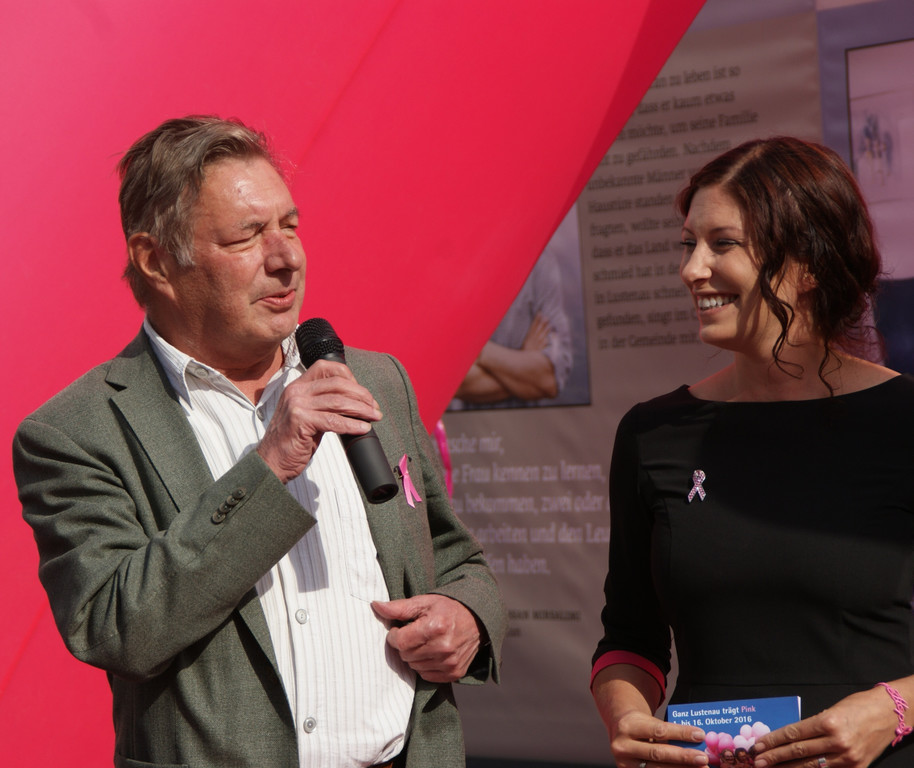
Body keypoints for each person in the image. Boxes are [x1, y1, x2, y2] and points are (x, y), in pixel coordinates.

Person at [13, 116, 506, 768]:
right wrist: (268, 467)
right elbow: (118, 629)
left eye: (290, 226)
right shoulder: (77, 431)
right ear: (156, 261)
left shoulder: (375, 378)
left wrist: (467, 616)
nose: (286, 257)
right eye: (246, 236)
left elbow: (453, 555)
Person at [590, 137, 914, 768]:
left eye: (723, 244)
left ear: (809, 263)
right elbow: (629, 637)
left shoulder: (904, 420)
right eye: (689, 244)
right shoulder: (652, 432)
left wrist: (894, 709)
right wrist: (626, 716)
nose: (692, 269)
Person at [451, 248, 572, 408]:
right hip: (466, 422)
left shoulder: (541, 263)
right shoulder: (450, 268)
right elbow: (450, 383)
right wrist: (525, 363)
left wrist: (477, 351)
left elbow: (550, 379)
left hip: (527, 420)